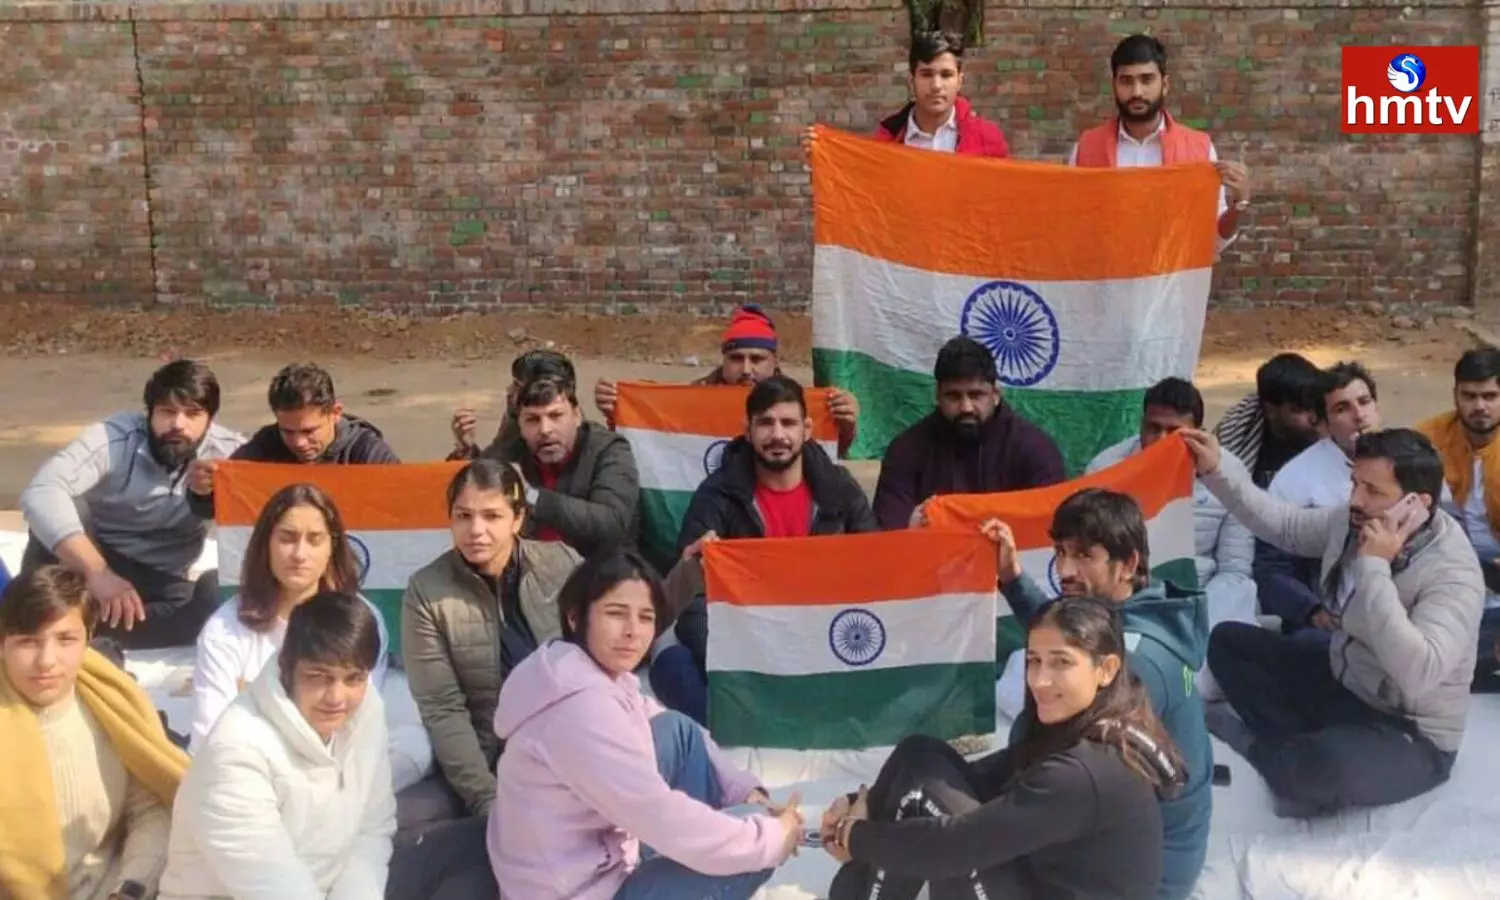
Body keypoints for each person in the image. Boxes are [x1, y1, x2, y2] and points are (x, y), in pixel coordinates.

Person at [1182, 427, 1484, 818]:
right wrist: (1218, 471)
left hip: (1410, 730)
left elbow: (1418, 673)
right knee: (1229, 641)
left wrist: (1375, 566)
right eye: (1355, 483)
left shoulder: (1452, 572)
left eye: (1374, 491)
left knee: (1319, 769)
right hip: (1347, 680)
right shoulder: (1354, 520)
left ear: (1417, 504)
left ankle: (1268, 750)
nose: (1356, 500)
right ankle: (1297, 751)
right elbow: (1285, 526)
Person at [821, 597, 1184, 900]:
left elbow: (958, 844)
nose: (1040, 680)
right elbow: (981, 776)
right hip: (1037, 881)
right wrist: (864, 801)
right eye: (1033, 660)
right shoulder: (1087, 726)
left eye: (1061, 662)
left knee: (923, 797)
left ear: (1106, 669)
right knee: (921, 754)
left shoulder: (1086, 772)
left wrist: (853, 836)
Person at [490, 548, 802, 900]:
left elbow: (665, 721)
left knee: (678, 732)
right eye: (616, 613)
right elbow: (657, 813)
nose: (632, 632)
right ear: (575, 617)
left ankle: (709, 850)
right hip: (578, 891)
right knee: (752, 847)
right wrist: (772, 836)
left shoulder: (573, 671)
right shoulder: (581, 709)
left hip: (584, 862)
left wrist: (746, 791)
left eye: (645, 617)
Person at [987, 490, 1210, 900]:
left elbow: (1056, 771)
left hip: (1142, 876)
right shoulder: (1137, 613)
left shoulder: (1138, 663)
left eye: (1084, 556)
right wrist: (1014, 580)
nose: (1065, 570)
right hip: (1133, 836)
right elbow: (1069, 637)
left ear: (1128, 565)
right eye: (1061, 552)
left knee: (967, 848)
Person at [653, 375, 877, 724]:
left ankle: (770, 718)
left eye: (788, 423)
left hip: (823, 636)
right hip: (744, 643)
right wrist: (745, 664)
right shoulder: (717, 495)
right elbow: (692, 606)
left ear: (806, 429)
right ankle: (760, 721)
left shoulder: (840, 490)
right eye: (765, 423)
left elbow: (874, 573)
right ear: (748, 429)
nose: (777, 436)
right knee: (671, 667)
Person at [186, 483, 431, 793]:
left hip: (338, 769)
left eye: (314, 540)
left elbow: (355, 717)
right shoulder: (225, 629)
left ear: (332, 547)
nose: (300, 554)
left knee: (416, 743)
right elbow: (210, 737)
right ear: (266, 545)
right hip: (256, 772)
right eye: (287, 538)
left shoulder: (361, 617)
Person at [159, 592, 397, 899]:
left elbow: (373, 830)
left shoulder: (367, 710)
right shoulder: (236, 750)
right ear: (287, 667)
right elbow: (272, 886)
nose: (337, 697)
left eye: (353, 678)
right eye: (319, 676)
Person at [398, 460, 581, 833]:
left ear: (517, 519)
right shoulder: (427, 591)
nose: (475, 531)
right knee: (402, 819)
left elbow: (609, 647)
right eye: (463, 516)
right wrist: (487, 798)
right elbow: (442, 708)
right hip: (486, 756)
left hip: (569, 745)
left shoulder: (561, 564)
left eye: (491, 516)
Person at [17, 359, 245, 649]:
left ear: (209, 420)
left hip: (162, 581)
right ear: (149, 414)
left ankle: (75, 627)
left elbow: (281, 506)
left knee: (217, 598)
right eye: (167, 411)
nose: (178, 424)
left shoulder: (229, 454)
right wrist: (99, 574)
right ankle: (44, 623)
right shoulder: (115, 437)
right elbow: (41, 491)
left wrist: (215, 494)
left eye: (193, 414)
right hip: (89, 562)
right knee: (61, 510)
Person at [0, 565, 187, 900]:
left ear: (89, 637)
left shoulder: (112, 705)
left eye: (65, 639)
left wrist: (130, 887)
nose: (47, 660)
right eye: (27, 642)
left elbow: (152, 809)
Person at [1088, 378, 1256, 646]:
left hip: (1199, 598)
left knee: (1242, 593)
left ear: (1198, 433)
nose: (1160, 441)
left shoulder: (1230, 478)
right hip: (1125, 598)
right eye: (1152, 428)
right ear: (1141, 424)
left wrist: (1193, 617)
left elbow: (1234, 570)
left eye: (1174, 432)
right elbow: (1091, 559)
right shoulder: (1105, 471)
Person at [594, 304, 860, 456]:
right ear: (723, 359)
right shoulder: (693, 397)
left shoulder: (798, 402)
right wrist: (617, 412)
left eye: (756, 359)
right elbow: (653, 447)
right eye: (736, 358)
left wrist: (845, 425)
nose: (746, 370)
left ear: (775, 361)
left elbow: (828, 454)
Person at [1069, 34, 1250, 255]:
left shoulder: (1199, 149)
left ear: (1164, 85)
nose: (1137, 92)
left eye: (1146, 80)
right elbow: (1073, 229)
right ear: (1114, 85)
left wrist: (1238, 205)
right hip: (1106, 284)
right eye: (1127, 81)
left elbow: (1214, 238)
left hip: (1172, 285)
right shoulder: (1087, 148)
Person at [874, 336, 1065, 532]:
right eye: (954, 396)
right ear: (938, 396)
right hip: (931, 559)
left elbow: (1054, 532)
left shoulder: (1035, 449)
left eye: (976, 395)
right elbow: (889, 535)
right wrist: (910, 528)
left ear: (996, 394)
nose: (966, 407)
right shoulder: (906, 450)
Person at [1258, 362, 1382, 636]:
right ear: (1323, 424)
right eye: (1342, 408)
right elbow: (1271, 570)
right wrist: (1312, 612)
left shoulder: (1412, 461)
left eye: (1364, 402)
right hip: (1327, 624)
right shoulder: (1293, 480)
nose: (1359, 415)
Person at [185, 361, 399, 517]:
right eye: (287, 431)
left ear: (335, 413)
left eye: (309, 431)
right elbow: (213, 510)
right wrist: (203, 491)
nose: (299, 443)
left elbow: (403, 506)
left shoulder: (367, 451)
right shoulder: (264, 447)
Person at [473, 373, 640, 557]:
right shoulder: (514, 447)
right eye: (532, 420)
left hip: (598, 571)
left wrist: (532, 496)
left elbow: (611, 523)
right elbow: (473, 483)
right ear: (519, 424)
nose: (545, 430)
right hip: (526, 570)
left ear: (576, 416)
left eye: (556, 416)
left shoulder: (608, 449)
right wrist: (465, 450)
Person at [1418, 348, 1500, 689]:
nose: (1479, 406)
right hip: (1451, 572)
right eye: (1469, 396)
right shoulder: (1427, 440)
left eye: (1490, 396)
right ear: (1455, 395)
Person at [801, 30, 1009, 158]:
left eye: (946, 75)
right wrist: (823, 159)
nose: (936, 85)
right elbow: (859, 197)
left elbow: (1003, 204)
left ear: (959, 81)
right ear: (912, 81)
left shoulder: (988, 139)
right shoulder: (885, 143)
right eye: (926, 75)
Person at [1212, 352, 1323, 490]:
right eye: (1300, 409)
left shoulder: (1332, 437)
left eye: (1315, 406)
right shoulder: (1236, 434)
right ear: (1270, 410)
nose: (1314, 417)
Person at [450, 348, 578, 462]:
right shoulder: (516, 416)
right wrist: (467, 448)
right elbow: (493, 465)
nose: (509, 390)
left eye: (517, 385)